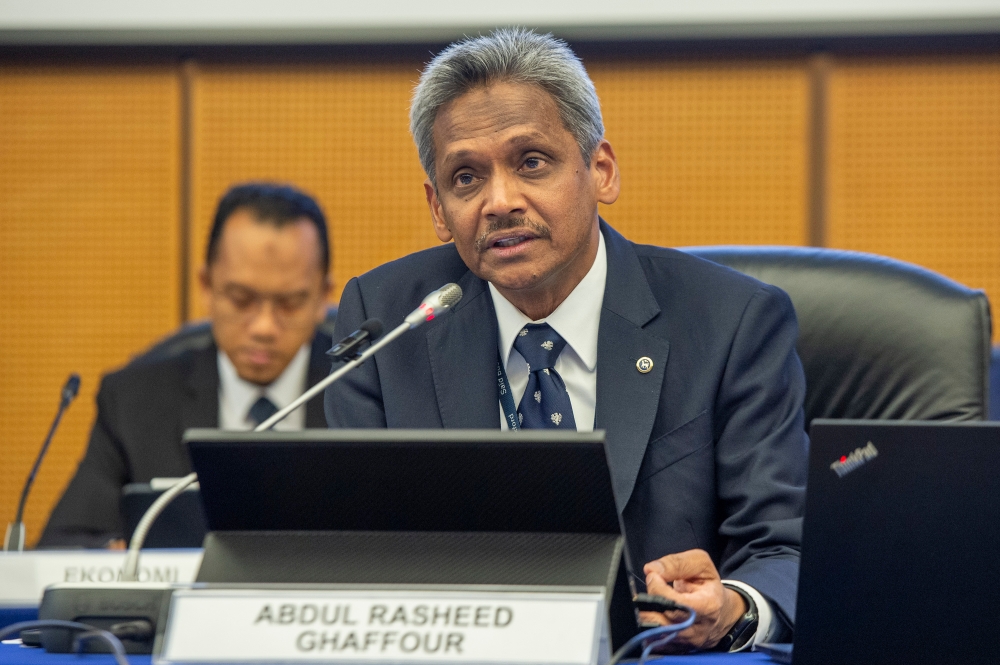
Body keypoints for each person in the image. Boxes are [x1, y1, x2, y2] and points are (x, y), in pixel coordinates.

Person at [324, 29, 807, 652]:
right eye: (465, 177)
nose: (500, 202)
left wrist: (734, 608)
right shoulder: (390, 321)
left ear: (600, 170)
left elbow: (784, 545)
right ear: (439, 209)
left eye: (531, 162)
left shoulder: (733, 322)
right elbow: (351, 551)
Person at [40, 183, 334, 548]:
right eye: (241, 300)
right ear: (206, 286)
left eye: (289, 303)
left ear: (324, 295)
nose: (263, 327)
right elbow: (62, 549)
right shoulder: (135, 403)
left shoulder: (370, 391)